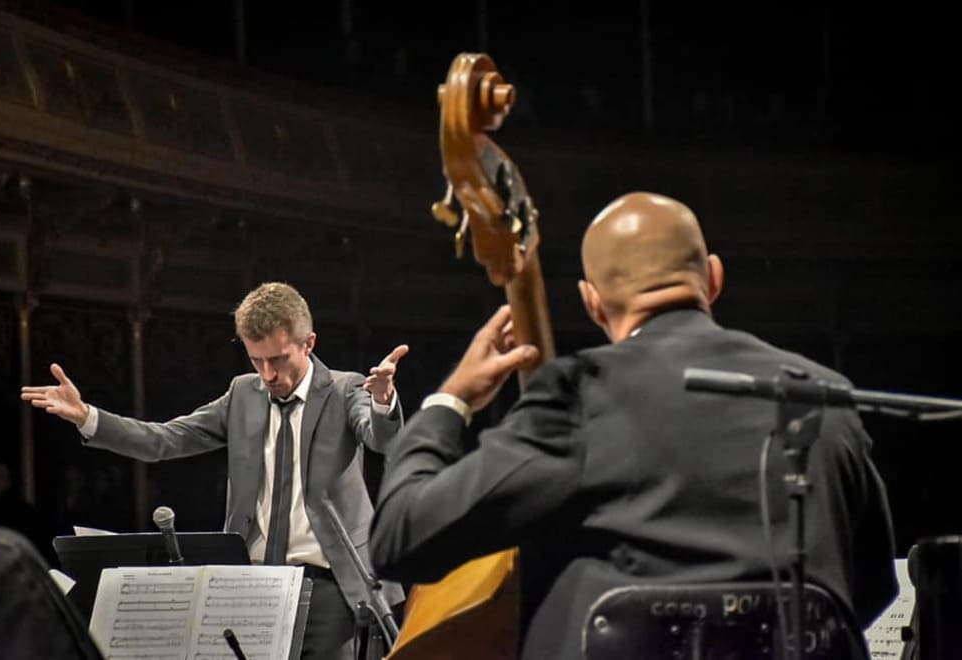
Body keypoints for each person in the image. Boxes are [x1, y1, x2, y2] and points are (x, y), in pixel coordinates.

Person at [369, 192, 897, 658]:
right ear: (713, 277)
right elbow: (869, 589)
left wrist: (450, 400)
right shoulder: (823, 395)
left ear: (592, 302)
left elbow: (401, 537)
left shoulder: (578, 395)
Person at [23, 281, 408, 660]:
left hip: (329, 587)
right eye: (256, 361)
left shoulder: (345, 389)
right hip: (252, 585)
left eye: (277, 360)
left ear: (309, 343)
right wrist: (89, 417)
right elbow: (165, 439)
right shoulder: (243, 393)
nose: (267, 375)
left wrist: (383, 400)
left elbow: (383, 440)